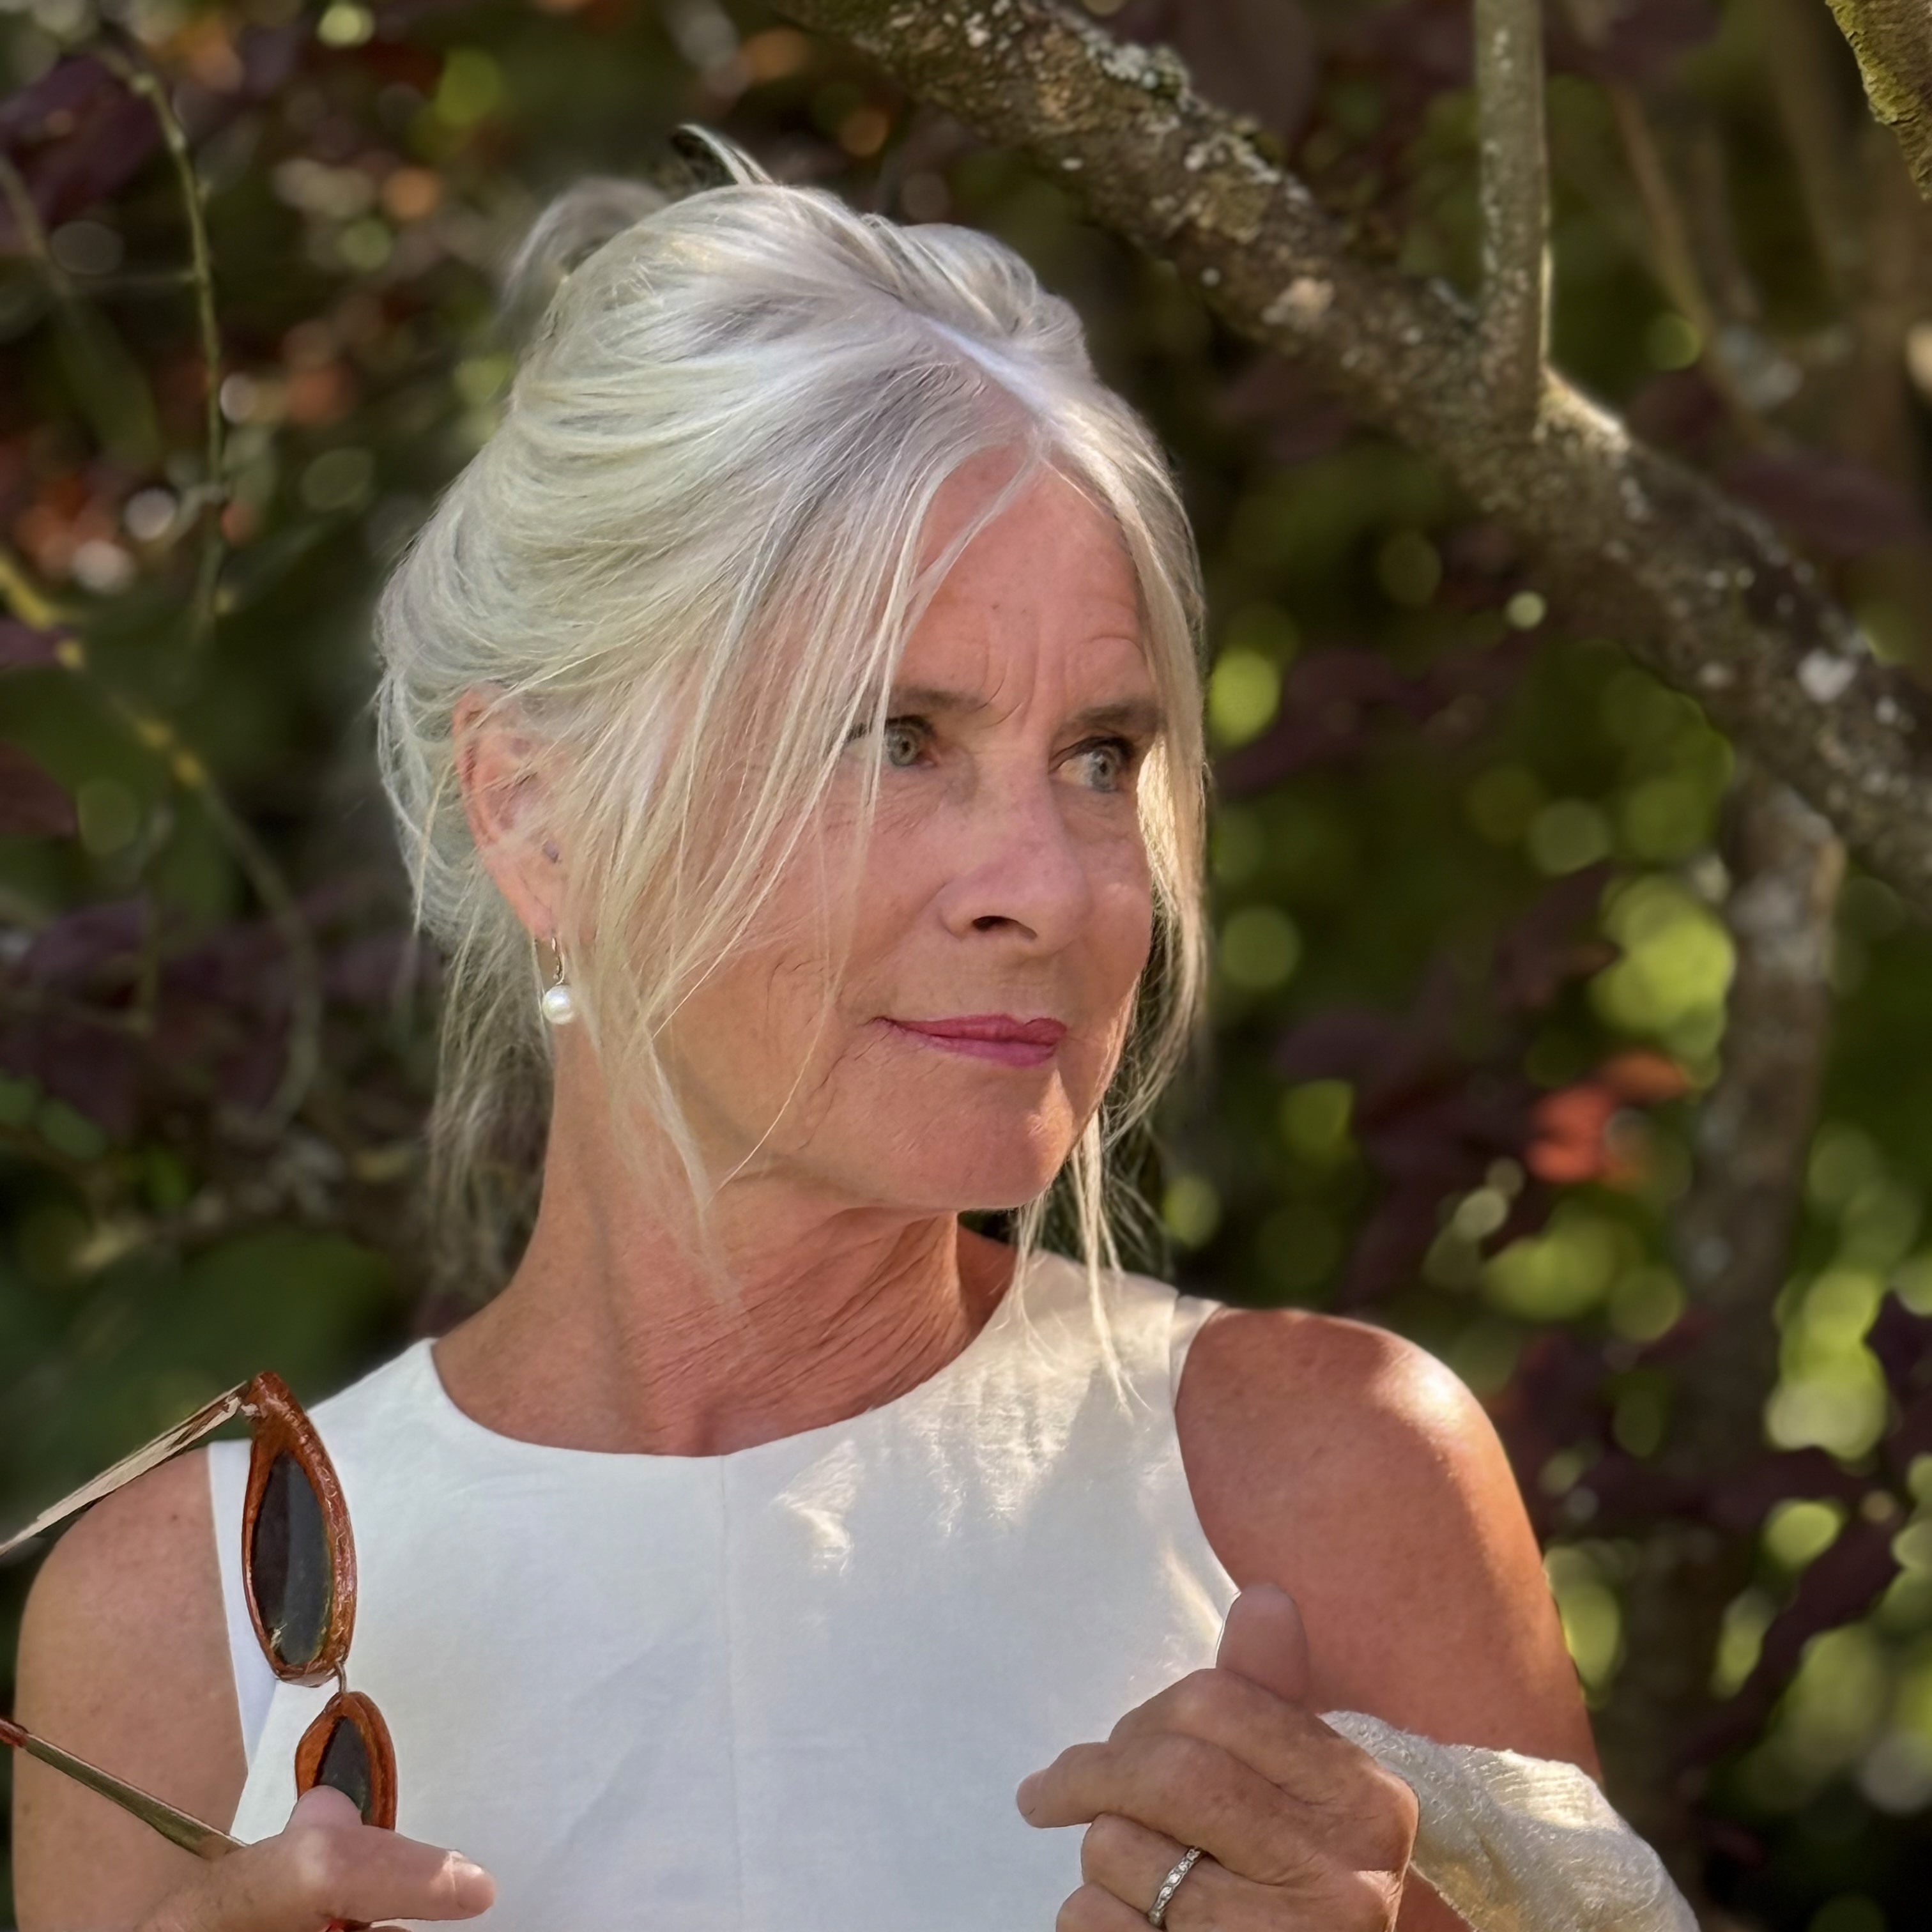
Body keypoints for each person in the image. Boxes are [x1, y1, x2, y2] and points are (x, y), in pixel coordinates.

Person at [13, 132, 1639, 1932]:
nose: (1049, 886)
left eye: (1100, 756)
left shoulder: (1329, 1492)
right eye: (897, 740)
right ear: (538, 814)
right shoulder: (178, 1627)